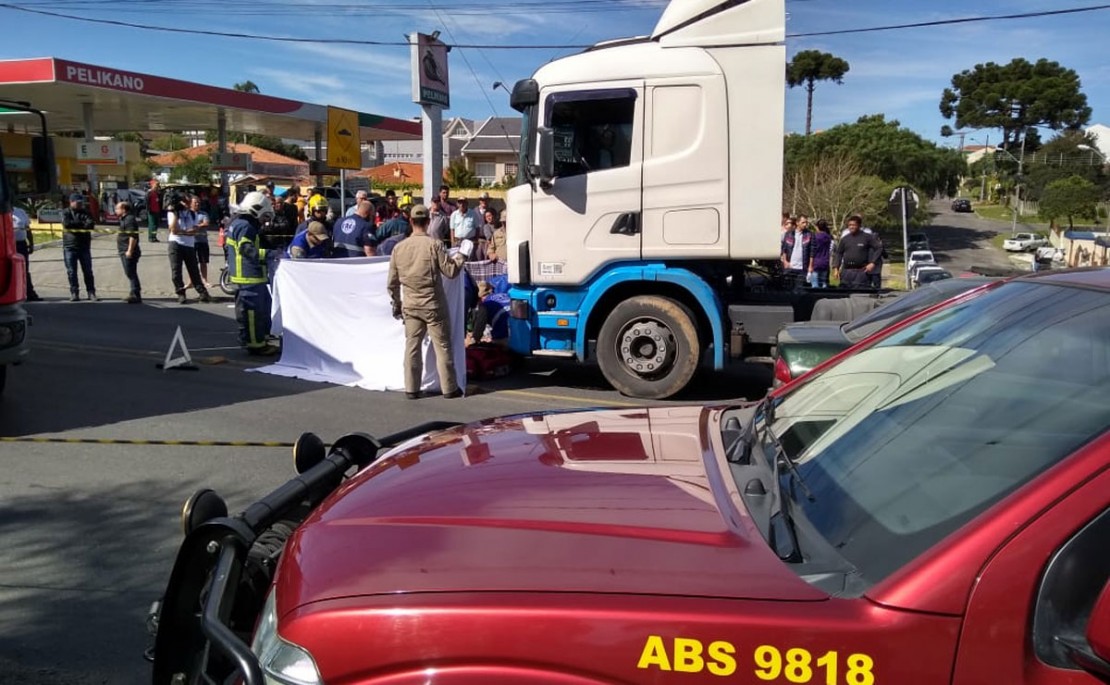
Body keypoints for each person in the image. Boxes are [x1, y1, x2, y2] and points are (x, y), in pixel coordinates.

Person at [387, 204, 467, 399]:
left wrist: (397, 305)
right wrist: (461, 256)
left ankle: (411, 388)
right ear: (428, 222)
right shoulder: (435, 245)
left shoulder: (399, 248)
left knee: (412, 347)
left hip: (411, 305)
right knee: (443, 346)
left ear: (411, 221)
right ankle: (449, 388)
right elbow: (450, 271)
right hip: (433, 305)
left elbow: (392, 283)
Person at [226, 191, 278, 355]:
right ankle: (257, 345)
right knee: (253, 313)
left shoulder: (237, 222)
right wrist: (270, 254)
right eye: (265, 216)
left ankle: (248, 338)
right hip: (249, 276)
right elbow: (246, 249)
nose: (265, 221)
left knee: (247, 312)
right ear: (257, 210)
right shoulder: (246, 226)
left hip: (244, 276)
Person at [167, 194, 212, 304]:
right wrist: (177, 216)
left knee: (194, 270)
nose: (187, 205)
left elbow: (195, 230)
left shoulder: (193, 214)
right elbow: (173, 230)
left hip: (189, 245)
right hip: (175, 244)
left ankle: (202, 293)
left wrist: (183, 232)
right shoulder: (173, 213)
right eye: (185, 202)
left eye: (189, 202)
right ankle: (181, 293)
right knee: (176, 271)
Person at [62, 193, 97, 302]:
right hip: (70, 246)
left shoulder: (86, 212)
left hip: (84, 246)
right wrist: (81, 224)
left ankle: (91, 292)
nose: (80, 205)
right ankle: (74, 292)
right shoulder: (66, 212)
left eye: (81, 203)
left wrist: (77, 225)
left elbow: (90, 224)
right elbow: (67, 224)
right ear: (71, 202)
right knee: (72, 271)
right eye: (78, 203)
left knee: (88, 271)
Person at [833, 215, 881, 289]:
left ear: (859, 225)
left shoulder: (867, 237)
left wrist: (873, 263)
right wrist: (836, 268)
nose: (851, 227)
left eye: (854, 225)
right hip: (846, 272)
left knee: (860, 295)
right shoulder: (845, 239)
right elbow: (839, 253)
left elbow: (879, 248)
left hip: (861, 273)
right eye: (849, 225)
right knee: (845, 295)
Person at [12, 205, 41, 301]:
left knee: (24, 269)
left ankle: (30, 293)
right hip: (7, 245)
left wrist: (31, 243)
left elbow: (27, 228)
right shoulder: (3, 213)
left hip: (21, 245)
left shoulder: (20, 211)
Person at [116, 200, 142, 303]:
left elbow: (133, 236)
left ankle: (136, 294)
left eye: (117, 208)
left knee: (130, 272)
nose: (115, 210)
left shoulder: (129, 220)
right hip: (123, 249)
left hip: (128, 250)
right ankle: (134, 292)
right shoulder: (123, 219)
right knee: (130, 272)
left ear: (123, 209)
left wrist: (130, 251)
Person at [187, 195, 212, 292]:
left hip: (202, 241)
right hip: (191, 242)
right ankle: (190, 281)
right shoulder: (188, 214)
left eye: (198, 202)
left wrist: (197, 226)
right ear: (190, 204)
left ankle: (204, 280)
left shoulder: (203, 213)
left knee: (203, 262)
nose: (197, 204)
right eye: (195, 202)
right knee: (191, 263)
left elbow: (206, 223)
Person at [780, 215, 812, 288]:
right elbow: (784, 249)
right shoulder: (789, 234)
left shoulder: (809, 234)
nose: (805, 224)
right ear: (797, 223)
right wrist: (785, 261)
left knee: (799, 288)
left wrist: (810, 266)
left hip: (802, 267)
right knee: (787, 288)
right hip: (790, 266)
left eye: (806, 222)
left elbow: (811, 252)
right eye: (803, 222)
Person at [810, 219, 833, 288]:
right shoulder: (828, 237)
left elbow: (812, 250)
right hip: (825, 262)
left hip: (816, 262)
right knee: (824, 283)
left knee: (815, 284)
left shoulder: (815, 236)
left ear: (817, 227)